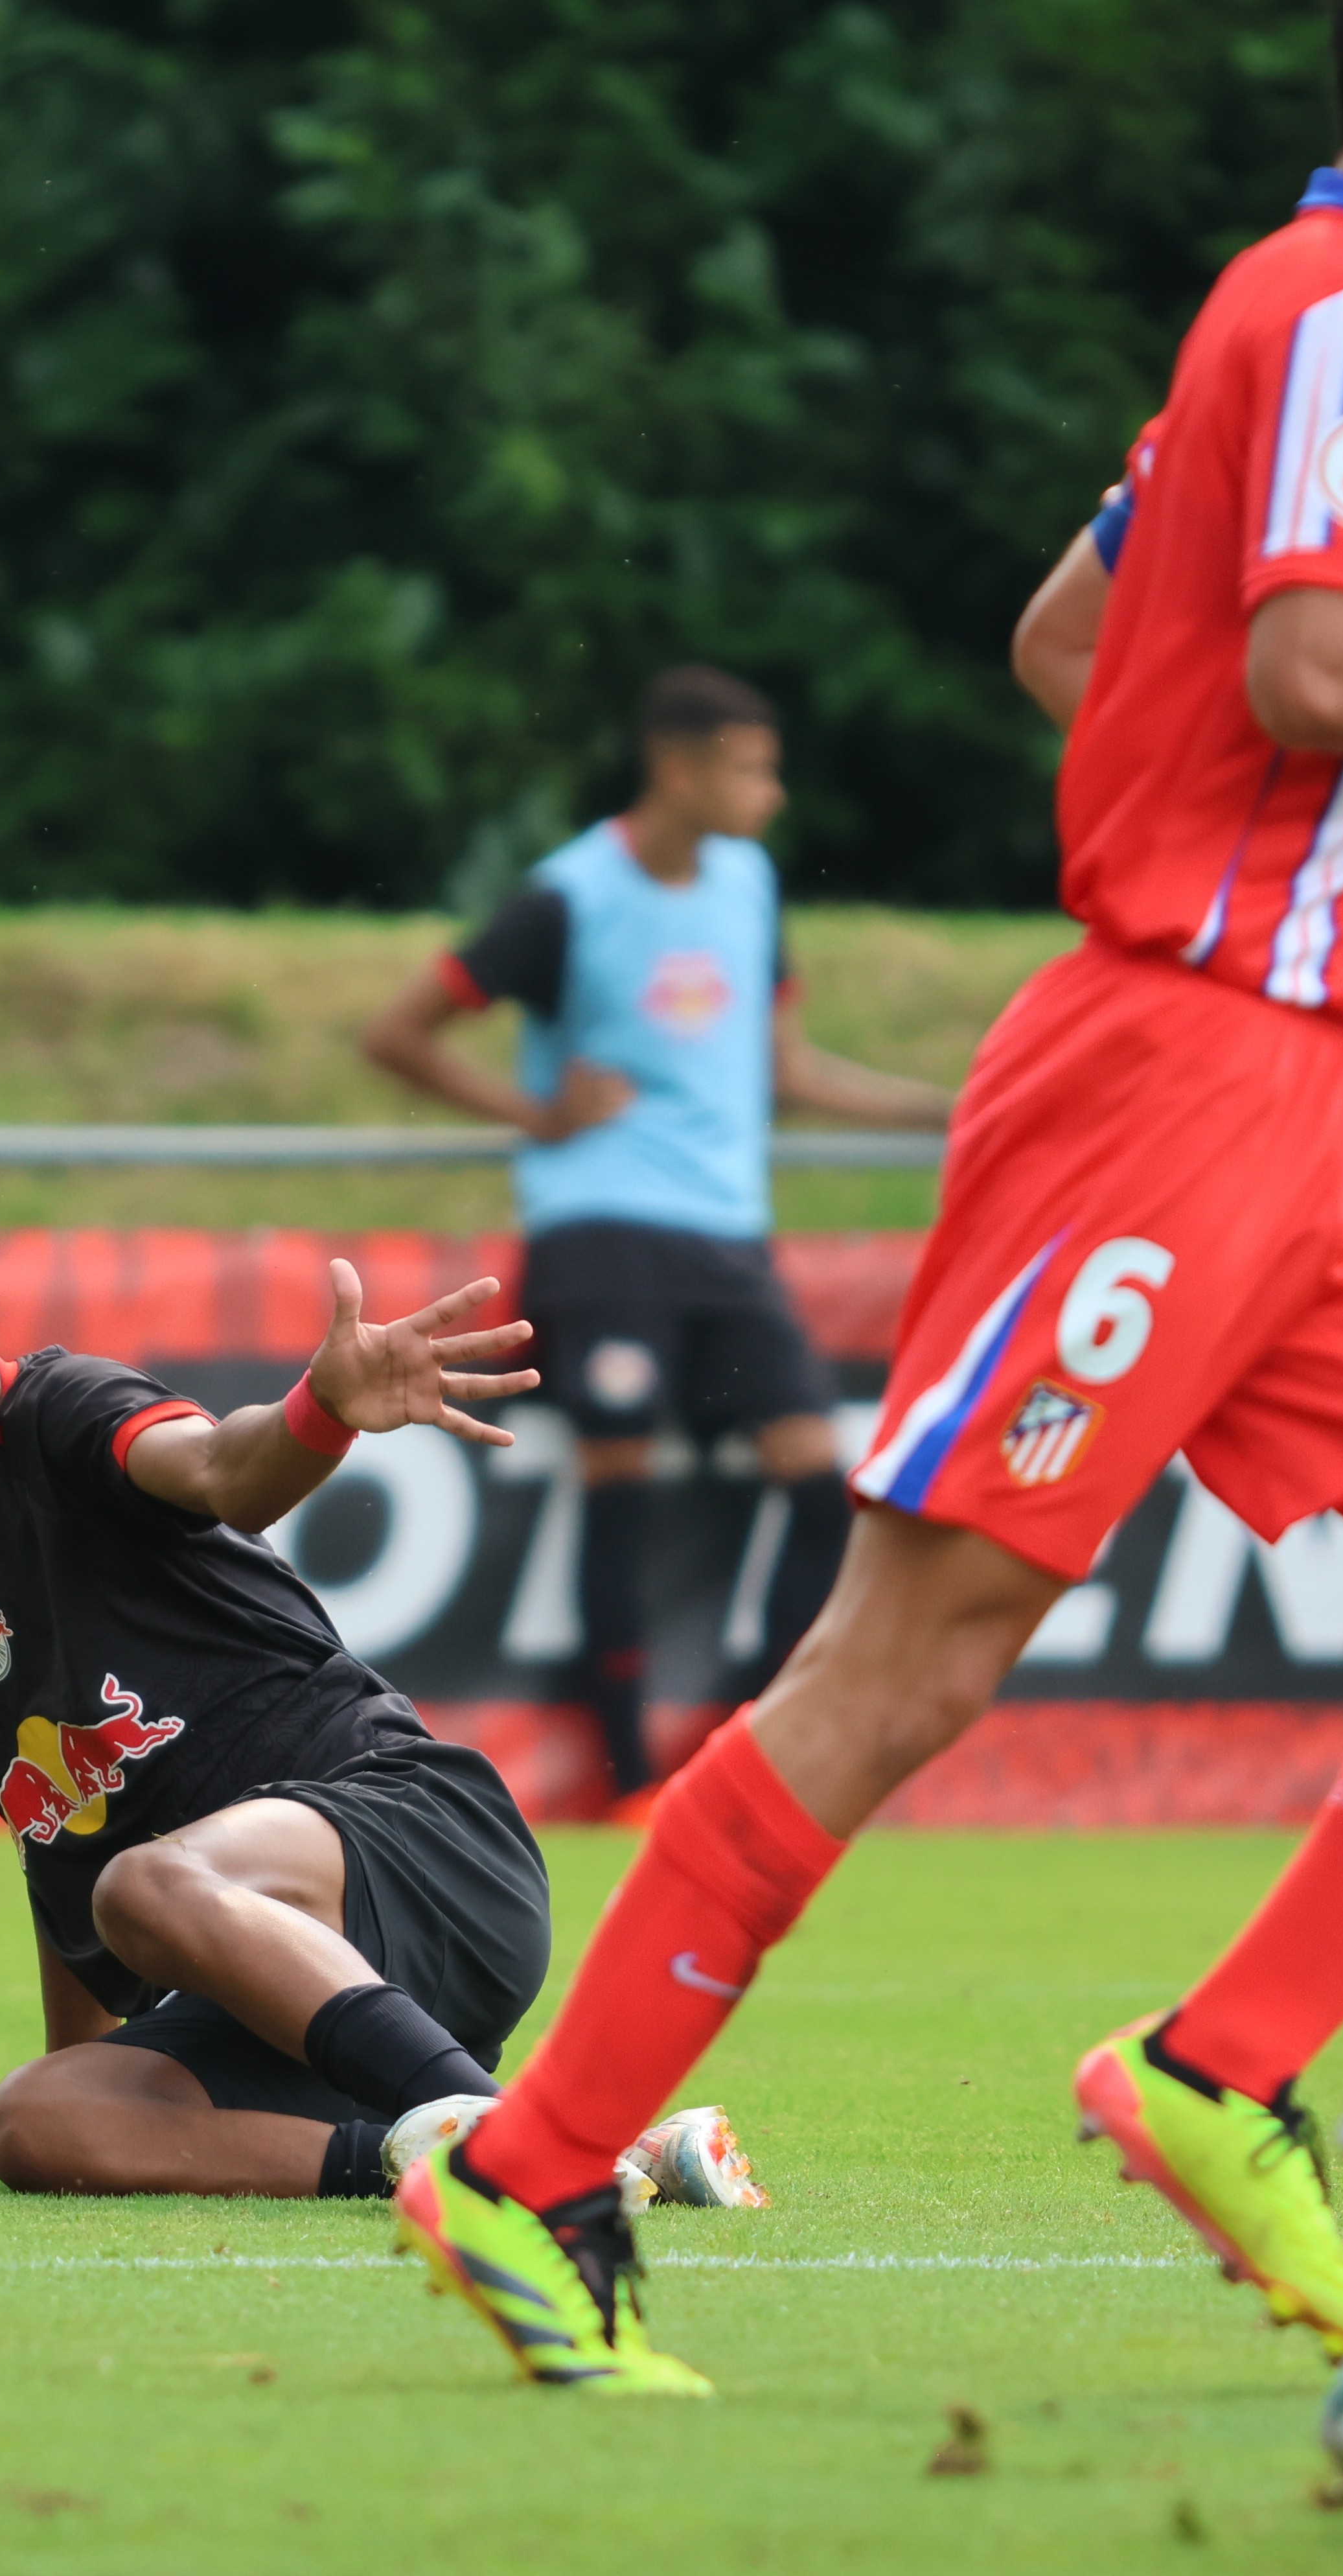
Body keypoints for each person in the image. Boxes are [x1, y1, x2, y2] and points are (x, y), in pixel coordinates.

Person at [395, 0, 1343, 2398]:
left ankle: (1218, 2072)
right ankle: (523, 2175)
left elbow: (1080, 641)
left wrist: (1329, 798)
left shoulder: (1290, 310)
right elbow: (1319, 659)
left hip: (1298, 1121)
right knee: (901, 1670)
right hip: (1172, 1095)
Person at [0, 1197, 757, 2207]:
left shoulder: (63, 1410)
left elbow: (221, 1470)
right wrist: (96, 2089)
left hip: (423, 1848)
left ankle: (541, 2153)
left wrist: (318, 1412)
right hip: (277, 1986)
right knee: (39, 2122)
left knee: (143, 1891)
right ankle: (475, 2155)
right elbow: (53, 1839)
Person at [360, 668, 950, 1814]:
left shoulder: (750, 882)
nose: (771, 796)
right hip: (605, 1233)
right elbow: (397, 1033)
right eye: (751, 769)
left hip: (730, 1243)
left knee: (826, 1494)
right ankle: (627, 1786)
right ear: (678, 770)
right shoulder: (568, 898)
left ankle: (724, 1752)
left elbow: (788, 1072)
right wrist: (534, 1115)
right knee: (619, 1490)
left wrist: (947, 1110)